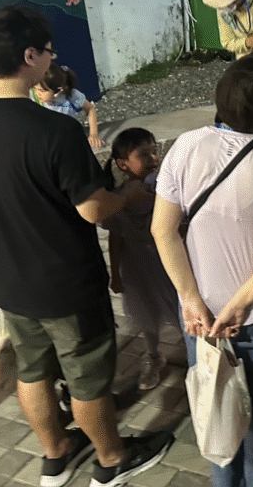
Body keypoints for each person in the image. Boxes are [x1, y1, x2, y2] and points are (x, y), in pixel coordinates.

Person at [0, 6, 173, 487]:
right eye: (48, 51)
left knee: (33, 371)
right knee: (87, 377)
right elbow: (94, 210)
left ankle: (57, 453)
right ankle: (111, 460)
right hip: (66, 284)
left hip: (8, 281)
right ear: (30, 56)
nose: (52, 58)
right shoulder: (55, 130)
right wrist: (130, 193)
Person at [152, 53, 253, 487]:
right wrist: (240, 305)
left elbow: (163, 230)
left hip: (199, 314)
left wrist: (190, 299)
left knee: (216, 401)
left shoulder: (185, 145)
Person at [103, 128, 179, 391]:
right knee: (146, 313)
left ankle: (199, 355)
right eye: (143, 154)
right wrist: (115, 274)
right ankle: (153, 356)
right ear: (123, 164)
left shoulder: (164, 188)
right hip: (136, 267)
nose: (153, 158)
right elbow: (115, 238)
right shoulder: (118, 199)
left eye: (154, 152)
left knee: (181, 309)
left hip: (167, 261)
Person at [33, 63, 103, 149]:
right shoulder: (38, 100)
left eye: (42, 91)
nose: (38, 94)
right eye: (35, 89)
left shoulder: (72, 96)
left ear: (59, 89)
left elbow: (90, 109)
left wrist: (93, 134)